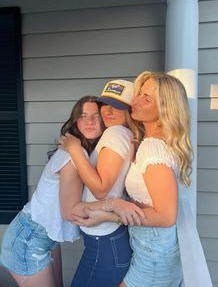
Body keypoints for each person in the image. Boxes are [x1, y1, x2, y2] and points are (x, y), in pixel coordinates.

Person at [73, 71, 193, 287]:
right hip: (147, 251)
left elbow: (166, 216)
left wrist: (109, 215)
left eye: (146, 98)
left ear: (166, 108)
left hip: (154, 261)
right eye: (139, 94)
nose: (135, 101)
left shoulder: (154, 149)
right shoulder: (147, 141)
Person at [0, 95, 105, 287]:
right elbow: (70, 211)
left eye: (96, 116)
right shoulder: (74, 154)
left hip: (41, 238)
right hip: (28, 241)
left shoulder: (83, 152)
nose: (90, 121)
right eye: (83, 116)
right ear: (75, 122)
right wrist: (116, 208)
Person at [58, 79, 145, 287]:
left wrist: (74, 149)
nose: (109, 110)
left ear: (130, 110)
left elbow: (101, 189)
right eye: (105, 103)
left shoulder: (115, 134)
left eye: (118, 105)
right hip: (107, 240)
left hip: (104, 244)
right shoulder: (121, 134)